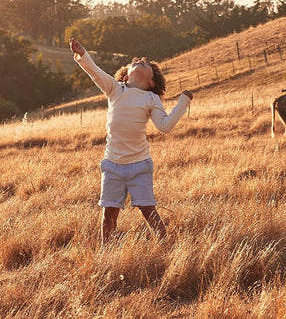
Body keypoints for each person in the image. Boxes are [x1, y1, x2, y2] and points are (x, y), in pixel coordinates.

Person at [69, 37, 193, 244]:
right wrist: (83, 54)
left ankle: (166, 247)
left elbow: (165, 125)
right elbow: (95, 72)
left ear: (151, 82)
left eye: (146, 63)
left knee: (148, 211)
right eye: (137, 61)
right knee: (109, 214)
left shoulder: (151, 99)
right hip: (113, 165)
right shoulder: (115, 89)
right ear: (126, 76)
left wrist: (183, 102)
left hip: (139, 165)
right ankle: (106, 252)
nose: (141, 60)